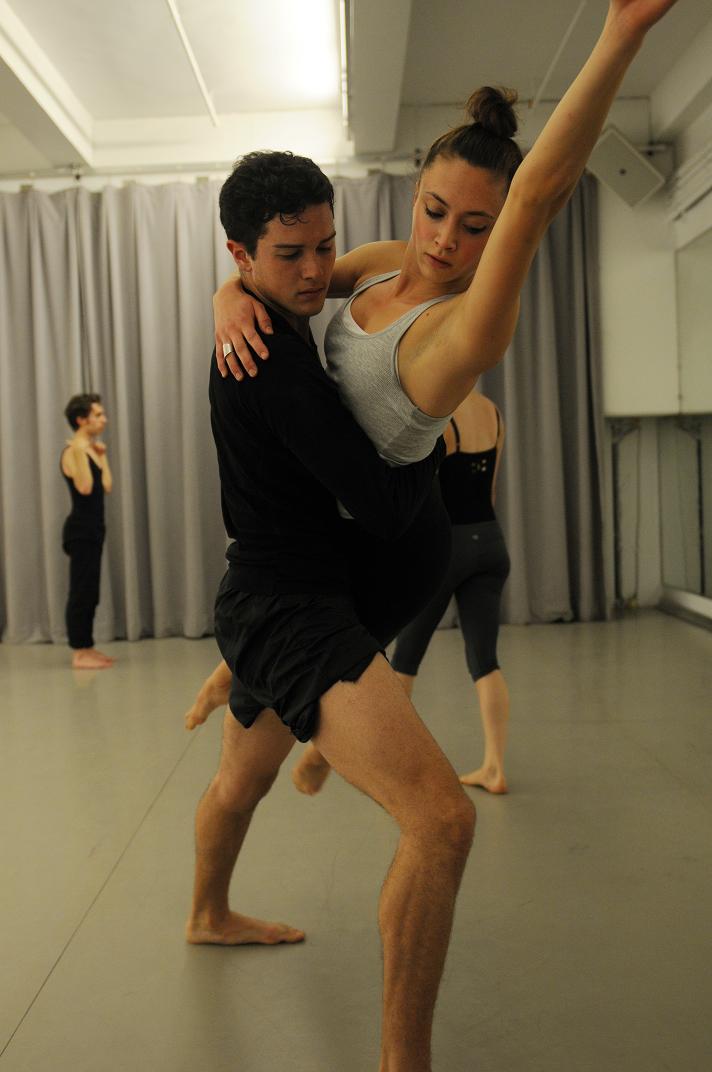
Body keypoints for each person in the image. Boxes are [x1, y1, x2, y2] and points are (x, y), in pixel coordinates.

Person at [200, 0, 678, 814]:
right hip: (341, 530)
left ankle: (302, 723)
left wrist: (620, 36)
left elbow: (540, 194)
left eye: (476, 226)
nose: (446, 241)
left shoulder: (469, 322)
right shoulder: (382, 264)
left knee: (345, 708)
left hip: (398, 533)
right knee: (265, 694)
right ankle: (259, 697)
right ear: (415, 191)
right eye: (435, 210)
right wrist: (226, 295)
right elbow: (286, 279)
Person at [189, 149, 475, 1072]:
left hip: (283, 595)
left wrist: (229, 294)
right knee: (442, 821)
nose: (316, 271)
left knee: (240, 783)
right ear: (241, 253)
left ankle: (207, 914)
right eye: (290, 255)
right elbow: (386, 507)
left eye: (325, 245)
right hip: (294, 614)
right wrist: (429, 424)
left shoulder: (269, 314)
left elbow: (392, 269)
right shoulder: (273, 366)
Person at [391, 390, 511, 795]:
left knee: (405, 658)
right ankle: (494, 767)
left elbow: (423, 495)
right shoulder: (493, 412)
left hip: (449, 548)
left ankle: (397, 769)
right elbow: (489, 491)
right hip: (490, 542)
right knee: (485, 662)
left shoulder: (443, 415)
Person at [60, 393, 114, 670]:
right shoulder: (73, 451)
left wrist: (102, 457)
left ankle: (87, 646)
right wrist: (83, 452)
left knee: (90, 590)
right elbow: (84, 487)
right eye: (98, 415)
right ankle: (79, 652)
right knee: (81, 590)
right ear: (82, 420)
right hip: (80, 531)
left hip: (93, 529)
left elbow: (106, 486)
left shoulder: (92, 449)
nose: (104, 419)